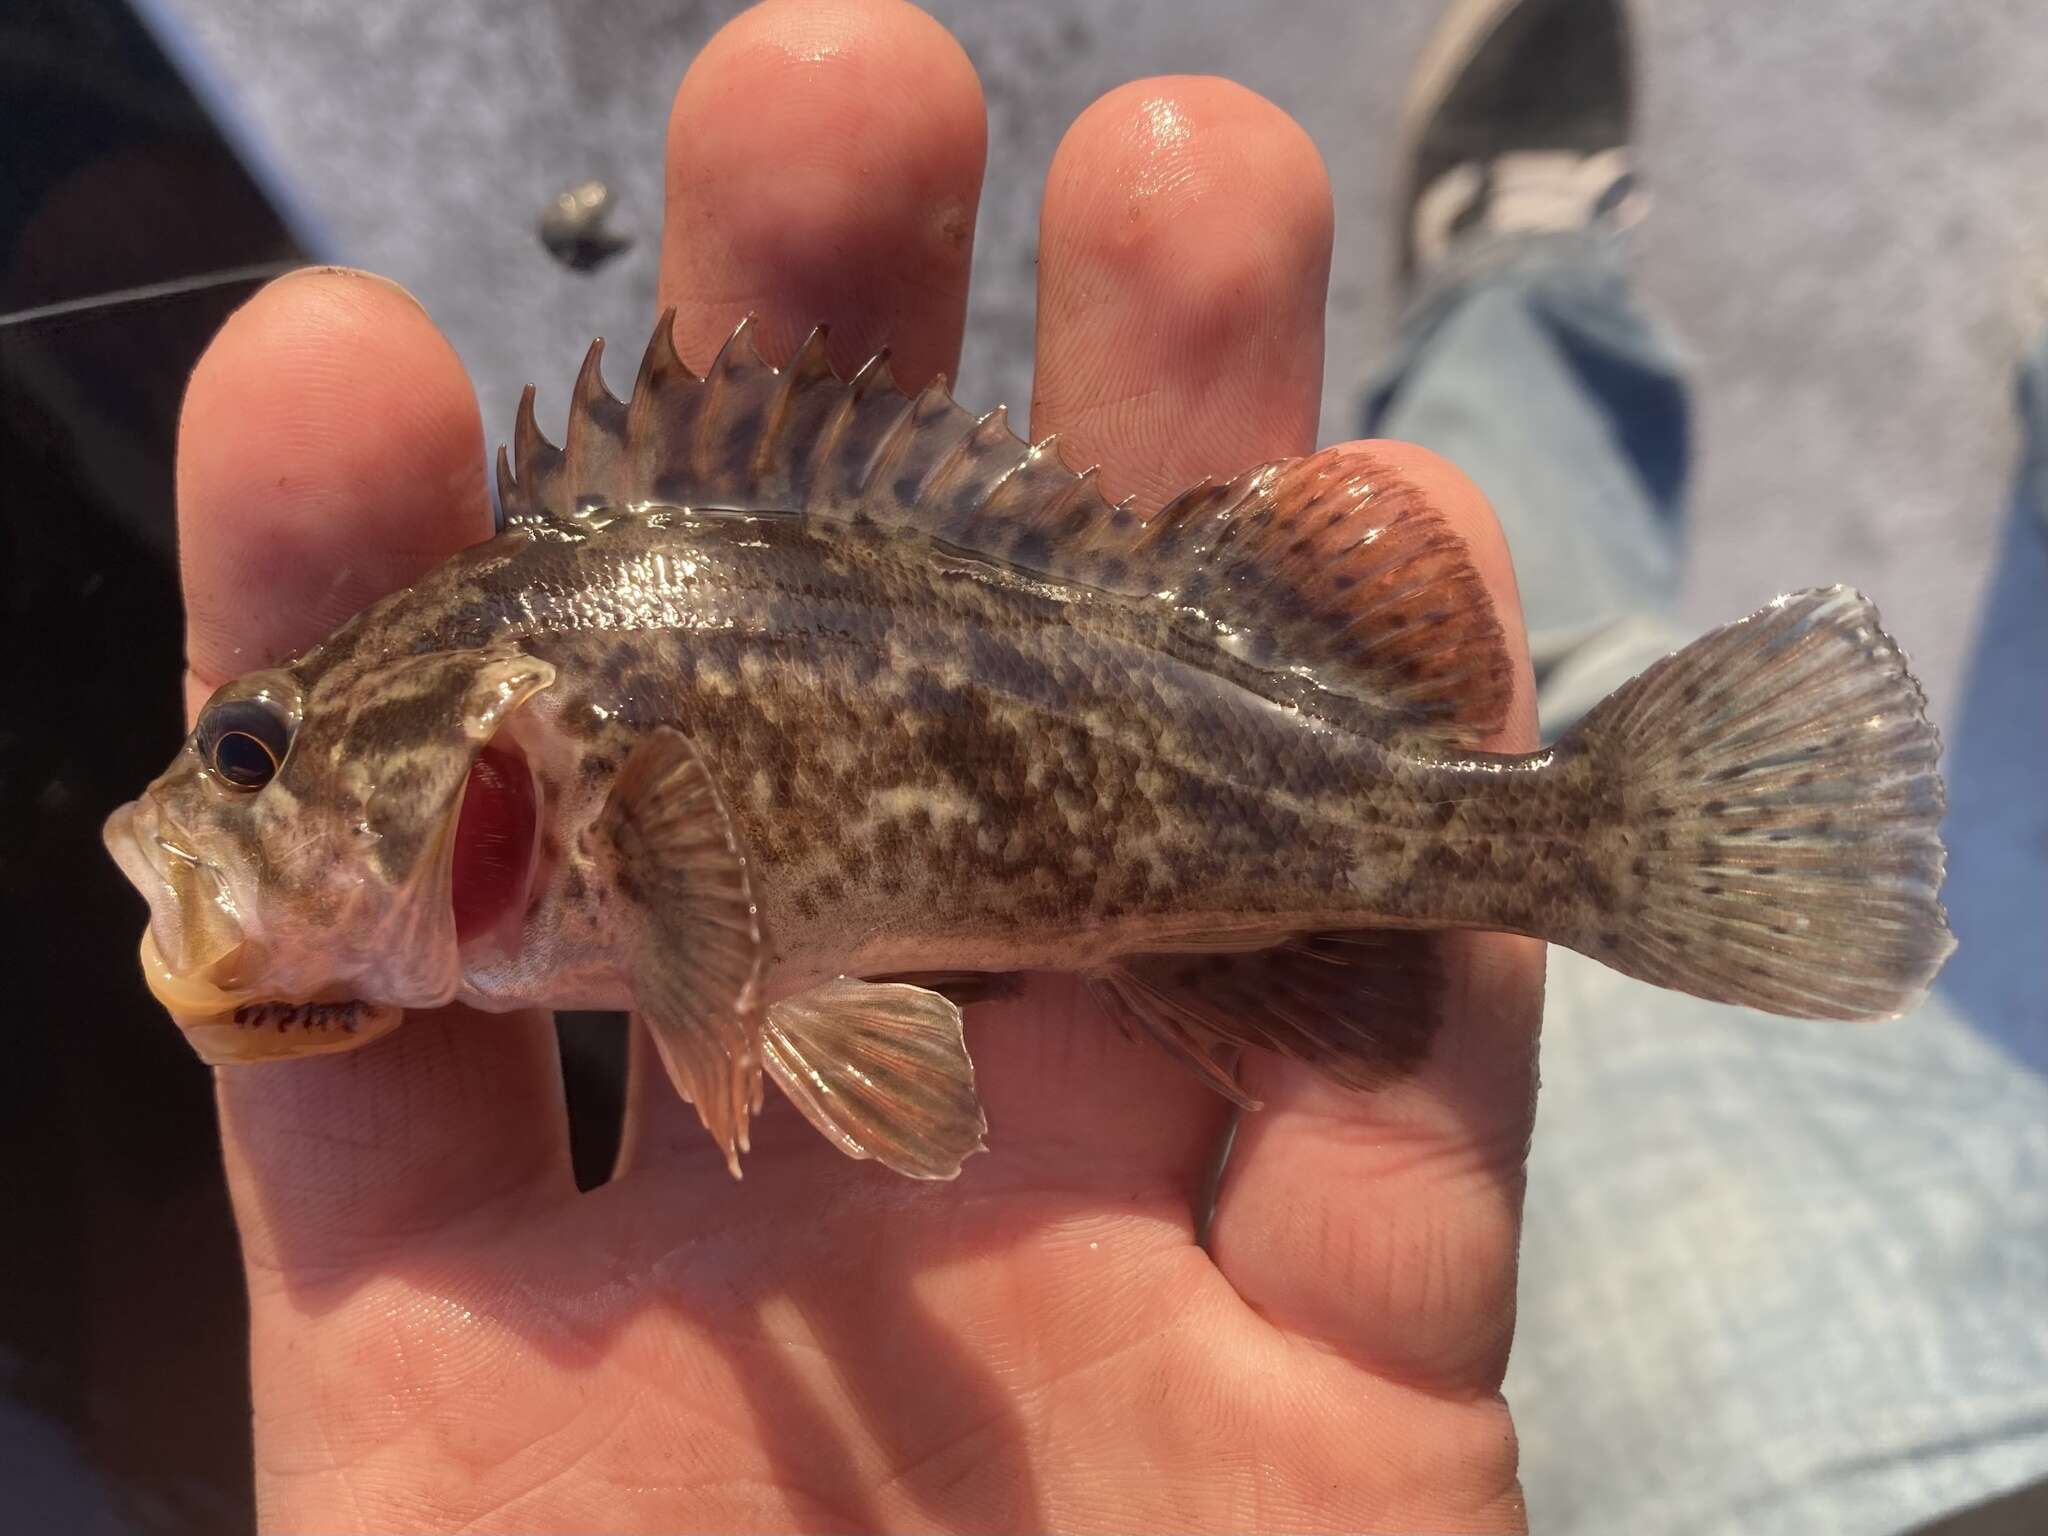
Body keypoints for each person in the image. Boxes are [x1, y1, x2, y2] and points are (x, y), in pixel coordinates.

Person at [166, 0, 2047, 1530]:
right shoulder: (531, 815)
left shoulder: (577, 758)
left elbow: (761, 978)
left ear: (492, 738)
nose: (217, 813)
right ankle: (1529, 304)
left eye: (256, 759)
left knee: (1509, 566)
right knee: (1542, 557)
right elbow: (801, 1015)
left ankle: (1529, 367)